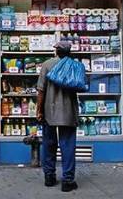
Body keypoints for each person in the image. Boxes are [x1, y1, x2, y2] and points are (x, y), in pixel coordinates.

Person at [36, 40, 79, 192]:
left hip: (50, 111)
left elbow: (41, 91)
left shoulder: (47, 65)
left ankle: (49, 176)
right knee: (68, 146)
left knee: (49, 144)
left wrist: (39, 110)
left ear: (56, 51)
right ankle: (67, 180)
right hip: (68, 112)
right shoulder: (75, 65)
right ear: (69, 52)